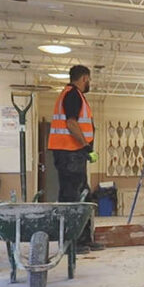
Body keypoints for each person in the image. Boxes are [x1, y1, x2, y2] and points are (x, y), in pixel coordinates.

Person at [47, 64, 103, 253]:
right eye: (89, 80)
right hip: (69, 153)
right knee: (72, 197)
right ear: (85, 78)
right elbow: (71, 124)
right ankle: (71, 242)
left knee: (84, 195)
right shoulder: (72, 95)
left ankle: (84, 239)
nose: (90, 83)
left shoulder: (76, 96)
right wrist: (86, 146)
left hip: (74, 154)